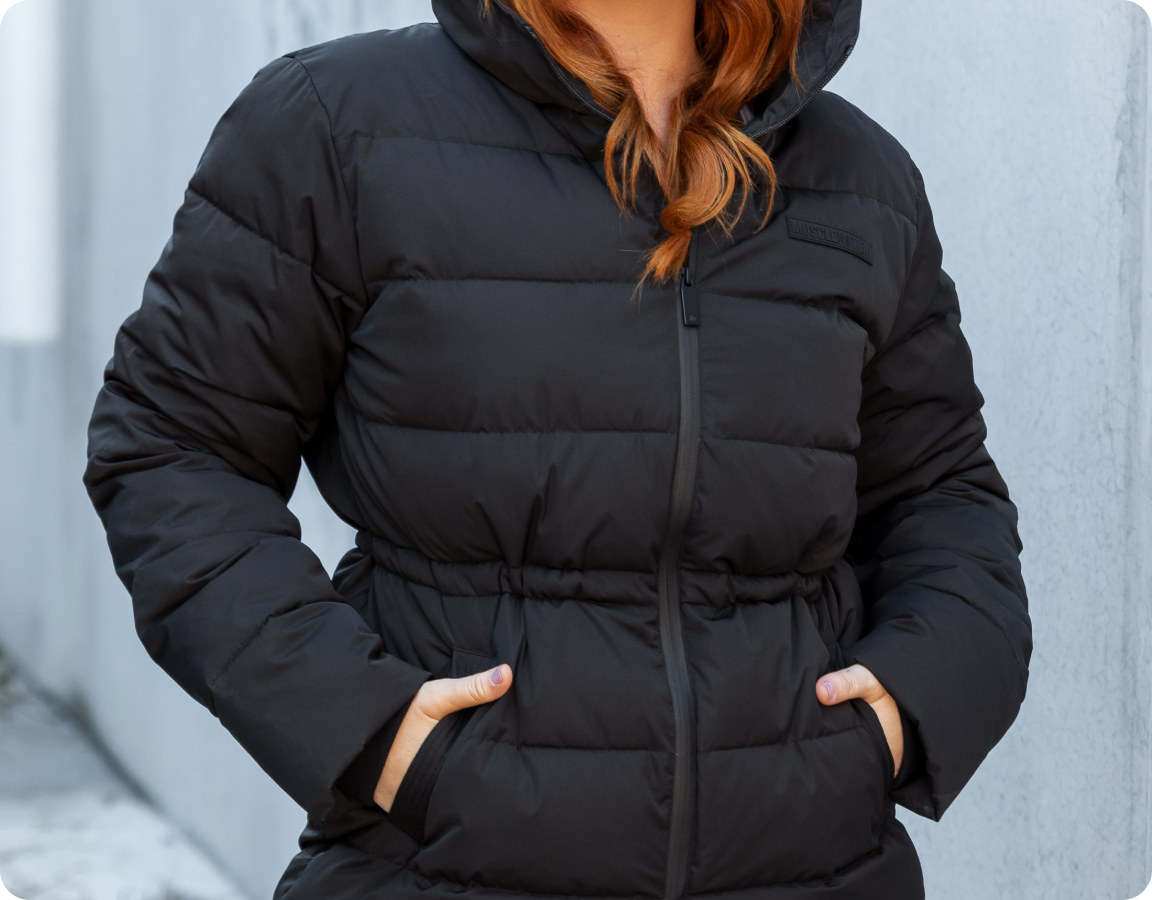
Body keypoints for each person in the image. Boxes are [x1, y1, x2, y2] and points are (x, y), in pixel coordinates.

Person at [84, 0, 1032, 897]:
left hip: (818, 867)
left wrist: (900, 719)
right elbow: (172, 445)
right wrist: (371, 737)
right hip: (441, 867)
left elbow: (941, 492)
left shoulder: (862, 178)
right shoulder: (338, 126)